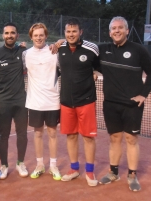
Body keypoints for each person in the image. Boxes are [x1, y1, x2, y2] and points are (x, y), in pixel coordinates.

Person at [98, 16, 151, 191]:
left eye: (120, 28)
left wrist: (143, 94)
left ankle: (132, 174)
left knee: (131, 139)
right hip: (110, 104)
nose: (117, 31)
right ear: (110, 33)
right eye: (113, 28)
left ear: (127, 31)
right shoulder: (102, 49)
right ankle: (113, 172)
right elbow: (83, 51)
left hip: (132, 105)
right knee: (114, 138)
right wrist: (61, 42)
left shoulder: (138, 50)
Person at [56, 18, 99, 186]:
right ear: (65, 33)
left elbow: (99, 65)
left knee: (88, 137)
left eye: (74, 31)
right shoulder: (60, 49)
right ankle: (74, 169)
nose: (71, 34)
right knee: (71, 136)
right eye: (68, 31)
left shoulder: (92, 48)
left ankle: (89, 171)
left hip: (86, 100)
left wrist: (95, 70)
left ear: (81, 32)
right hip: (66, 101)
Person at [0, 22, 28, 179]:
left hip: (21, 101)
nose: (9, 35)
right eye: (7, 33)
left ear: (17, 35)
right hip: (3, 101)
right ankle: (4, 165)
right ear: (2, 35)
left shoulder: (23, 52)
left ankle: (20, 163)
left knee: (22, 133)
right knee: (3, 134)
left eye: (13, 33)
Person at [22, 23, 61, 181]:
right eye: (35, 35)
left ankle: (53, 165)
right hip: (35, 101)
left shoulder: (55, 52)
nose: (38, 38)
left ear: (46, 36)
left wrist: (61, 41)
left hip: (52, 101)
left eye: (41, 35)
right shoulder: (25, 54)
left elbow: (71, 43)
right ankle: (40, 165)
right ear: (31, 37)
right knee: (38, 133)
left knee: (52, 133)